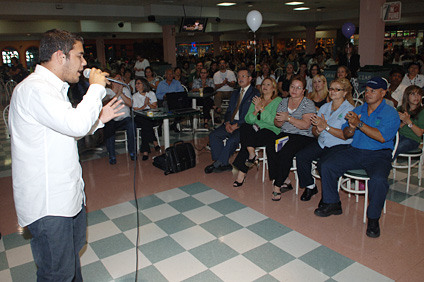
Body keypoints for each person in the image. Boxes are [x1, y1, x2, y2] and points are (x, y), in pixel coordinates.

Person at [9, 29, 124, 281]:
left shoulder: (53, 89)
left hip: (67, 195)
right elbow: (74, 125)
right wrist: (95, 88)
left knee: (70, 264)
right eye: (80, 56)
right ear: (61, 56)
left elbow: (66, 129)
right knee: (57, 273)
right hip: (49, 203)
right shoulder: (34, 90)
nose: (84, 63)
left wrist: (99, 120)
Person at [315, 77, 400, 238]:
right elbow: (346, 134)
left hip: (378, 155)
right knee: (326, 164)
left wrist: (359, 125)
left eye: (373, 91)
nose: (368, 94)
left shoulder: (391, 113)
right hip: (355, 150)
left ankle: (373, 218)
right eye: (367, 90)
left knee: (379, 181)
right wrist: (352, 128)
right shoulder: (359, 110)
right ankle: (332, 202)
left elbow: (382, 137)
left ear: (383, 93)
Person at [296, 78, 355, 201]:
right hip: (322, 142)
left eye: (337, 89)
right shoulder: (324, 107)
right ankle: (310, 186)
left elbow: (345, 135)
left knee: (324, 164)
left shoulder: (349, 110)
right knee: (301, 156)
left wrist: (326, 127)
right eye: (331, 89)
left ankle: (329, 196)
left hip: (339, 145)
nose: (333, 92)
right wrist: (317, 131)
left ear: (344, 93)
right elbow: (314, 129)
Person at [267, 75, 316, 201]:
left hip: (303, 136)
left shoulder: (308, 103)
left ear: (303, 91)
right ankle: (284, 179)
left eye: (298, 88)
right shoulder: (283, 102)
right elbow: (277, 123)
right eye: (292, 87)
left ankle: (277, 186)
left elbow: (305, 125)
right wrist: (279, 120)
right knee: (271, 146)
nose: (294, 90)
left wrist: (288, 118)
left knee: (285, 152)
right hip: (286, 134)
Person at [205, 68, 260, 173]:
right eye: (238, 76)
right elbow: (229, 110)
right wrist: (227, 123)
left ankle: (218, 164)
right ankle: (223, 163)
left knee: (232, 141)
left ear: (250, 78)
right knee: (214, 135)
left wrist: (237, 125)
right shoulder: (235, 93)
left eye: (243, 76)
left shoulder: (255, 93)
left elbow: (252, 114)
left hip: (244, 126)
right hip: (231, 122)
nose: (240, 79)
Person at [232, 77, 282, 186]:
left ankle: (242, 173)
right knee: (245, 127)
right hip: (255, 128)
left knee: (247, 142)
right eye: (263, 84)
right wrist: (255, 111)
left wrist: (262, 110)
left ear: (274, 88)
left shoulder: (278, 101)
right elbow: (247, 119)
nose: (264, 86)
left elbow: (273, 121)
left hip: (271, 130)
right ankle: (251, 153)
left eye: (268, 84)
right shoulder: (257, 99)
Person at [103, 72, 136, 164]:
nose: (120, 81)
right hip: (112, 118)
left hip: (125, 118)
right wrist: (117, 94)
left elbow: (130, 104)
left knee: (132, 124)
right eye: (118, 79)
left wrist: (121, 94)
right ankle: (112, 155)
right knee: (108, 128)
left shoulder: (125, 89)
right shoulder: (107, 91)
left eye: (121, 79)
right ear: (112, 82)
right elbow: (106, 104)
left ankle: (132, 152)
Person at [132, 77, 161, 160]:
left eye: (138, 83)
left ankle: (146, 150)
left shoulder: (151, 93)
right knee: (145, 123)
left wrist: (148, 103)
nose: (136, 85)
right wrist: (144, 105)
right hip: (139, 116)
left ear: (144, 84)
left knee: (146, 124)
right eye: (136, 84)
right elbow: (136, 109)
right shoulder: (135, 96)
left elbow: (155, 107)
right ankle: (152, 144)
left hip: (151, 115)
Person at [395, 85, 424, 158]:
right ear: (407, 96)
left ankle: (384, 165)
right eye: (413, 94)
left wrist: (408, 121)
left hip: (412, 139)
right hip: (398, 136)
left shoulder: (422, 112)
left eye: (419, 94)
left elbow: (419, 133)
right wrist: (403, 122)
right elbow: (394, 128)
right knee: (383, 144)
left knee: (396, 148)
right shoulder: (400, 109)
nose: (416, 97)